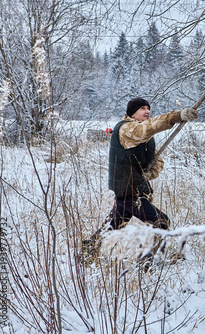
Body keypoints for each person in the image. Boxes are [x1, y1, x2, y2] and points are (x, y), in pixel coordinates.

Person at [82, 97, 197, 261]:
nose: (147, 111)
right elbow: (149, 127)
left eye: (148, 108)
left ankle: (88, 250)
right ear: (132, 114)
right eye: (142, 108)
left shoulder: (144, 136)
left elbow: (156, 161)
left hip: (132, 188)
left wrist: (148, 173)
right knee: (160, 222)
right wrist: (177, 116)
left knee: (113, 225)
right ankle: (145, 259)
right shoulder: (127, 129)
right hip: (129, 190)